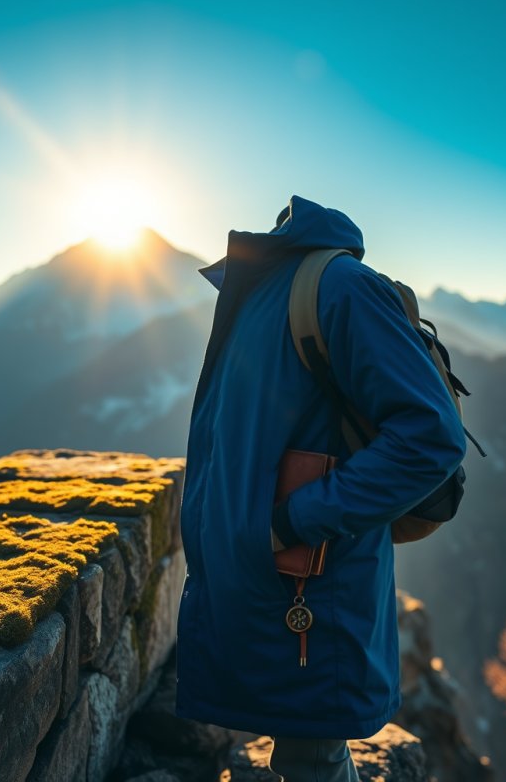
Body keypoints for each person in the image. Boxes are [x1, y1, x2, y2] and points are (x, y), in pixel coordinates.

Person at [175, 196, 466, 782]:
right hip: (269, 577)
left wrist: (291, 522)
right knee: (303, 756)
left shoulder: (340, 288)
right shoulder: (256, 292)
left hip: (310, 583)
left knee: (313, 759)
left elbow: (430, 437)